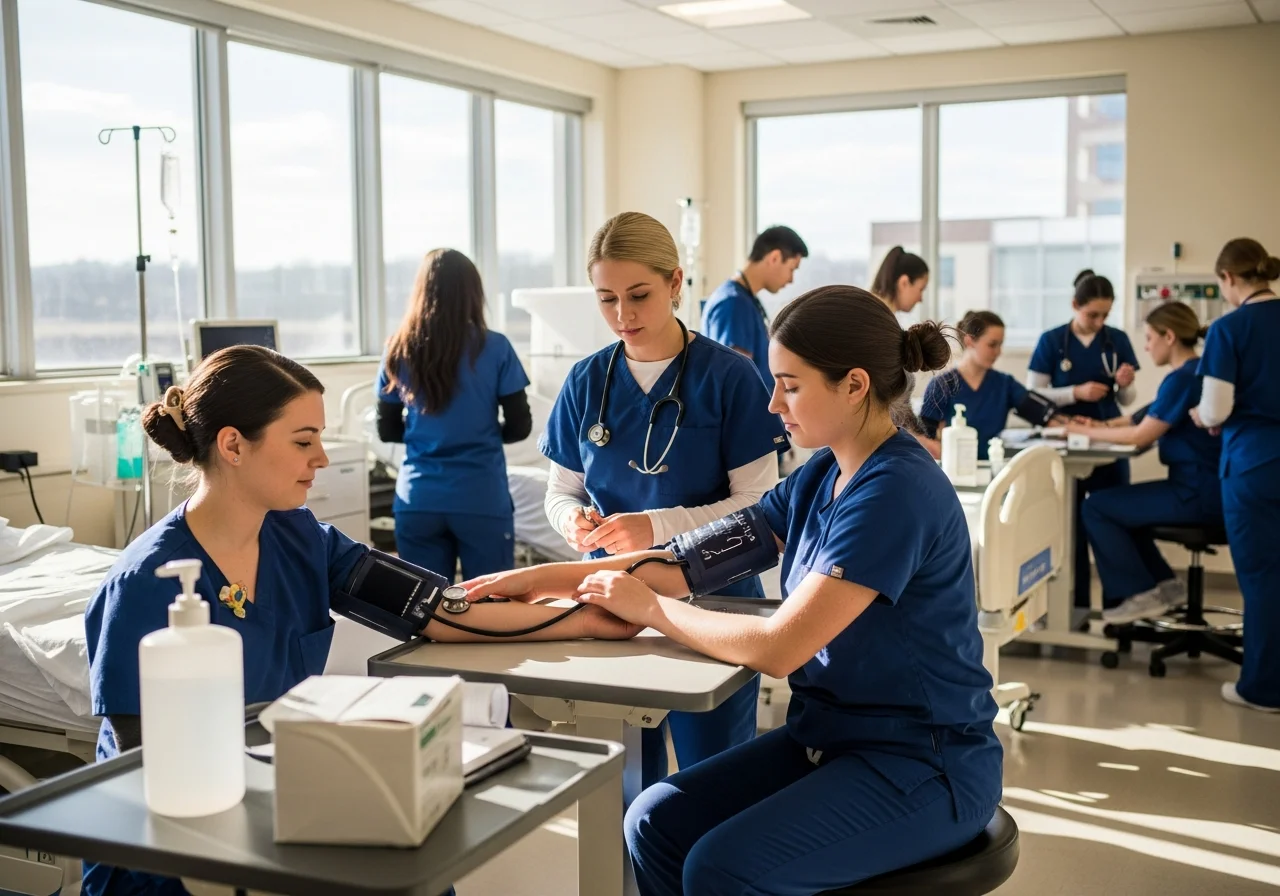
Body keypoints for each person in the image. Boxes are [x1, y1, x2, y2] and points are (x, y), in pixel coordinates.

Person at [470, 286, 1002, 895]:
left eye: (791, 385)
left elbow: (780, 647)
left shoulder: (895, 491)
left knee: (721, 867)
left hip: (921, 765)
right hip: (828, 736)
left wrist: (651, 610)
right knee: (654, 822)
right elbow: (679, 564)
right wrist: (529, 581)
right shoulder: (821, 475)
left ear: (854, 385)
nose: (773, 403)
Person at [82, 346, 638, 896]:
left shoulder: (301, 540)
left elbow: (437, 611)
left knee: (424, 876)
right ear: (233, 445)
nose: (321, 458)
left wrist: (580, 619)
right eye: (303, 441)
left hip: (282, 801)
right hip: (175, 858)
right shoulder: (146, 583)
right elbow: (148, 770)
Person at [540, 211, 789, 788]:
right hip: (608, 605)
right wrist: (572, 521)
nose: (623, 316)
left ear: (676, 284)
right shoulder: (585, 382)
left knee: (712, 781)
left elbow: (758, 504)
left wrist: (655, 527)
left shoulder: (730, 379)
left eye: (639, 295)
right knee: (622, 779)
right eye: (606, 299)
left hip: (715, 604)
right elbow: (561, 490)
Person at [1060, 303, 1222, 624]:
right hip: (1207, 489)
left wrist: (1075, 431)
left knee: (1097, 508)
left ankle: (1140, 593)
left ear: (1169, 337)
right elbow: (1139, 416)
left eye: (1149, 338)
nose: (1145, 346)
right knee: (1122, 507)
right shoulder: (1195, 373)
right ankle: (1164, 584)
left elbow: (1141, 435)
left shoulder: (1182, 380)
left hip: (1196, 494)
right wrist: (1098, 427)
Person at [377, 248, 531, 579]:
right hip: (481, 497)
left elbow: (386, 430)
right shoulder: (496, 347)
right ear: (473, 292)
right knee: (491, 606)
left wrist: (429, 436)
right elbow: (520, 426)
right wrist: (483, 434)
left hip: (418, 499)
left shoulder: (398, 348)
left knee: (424, 610)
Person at [1191, 237, 1280, 712]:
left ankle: (1263, 688)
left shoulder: (1230, 329)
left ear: (1228, 278)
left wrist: (1201, 417)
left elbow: (1216, 408)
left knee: (1264, 576)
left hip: (1256, 466)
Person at [1028, 270, 1140, 607]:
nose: (1099, 321)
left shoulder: (1116, 340)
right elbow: (1034, 394)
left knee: (1114, 524)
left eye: (1105, 315)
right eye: (1093, 314)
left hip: (1108, 441)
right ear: (1075, 305)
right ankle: (1071, 606)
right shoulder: (1052, 341)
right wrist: (1077, 392)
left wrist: (1125, 383)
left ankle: (1117, 608)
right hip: (1065, 443)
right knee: (1068, 525)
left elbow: (1127, 401)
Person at [918, 310, 1059, 460]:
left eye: (1000, 345)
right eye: (992, 345)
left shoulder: (1005, 384)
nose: (998, 352)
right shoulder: (942, 385)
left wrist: (1081, 427)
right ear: (969, 341)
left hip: (992, 469)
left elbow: (1044, 415)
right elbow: (924, 437)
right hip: (953, 472)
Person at [701, 225, 808, 391]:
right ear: (775, 257)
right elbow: (734, 381)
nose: (791, 279)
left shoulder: (745, 300)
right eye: (791, 269)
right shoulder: (734, 304)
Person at [871, 245, 929, 325]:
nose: (920, 299)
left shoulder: (876, 315)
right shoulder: (878, 323)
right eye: (921, 289)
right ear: (904, 283)